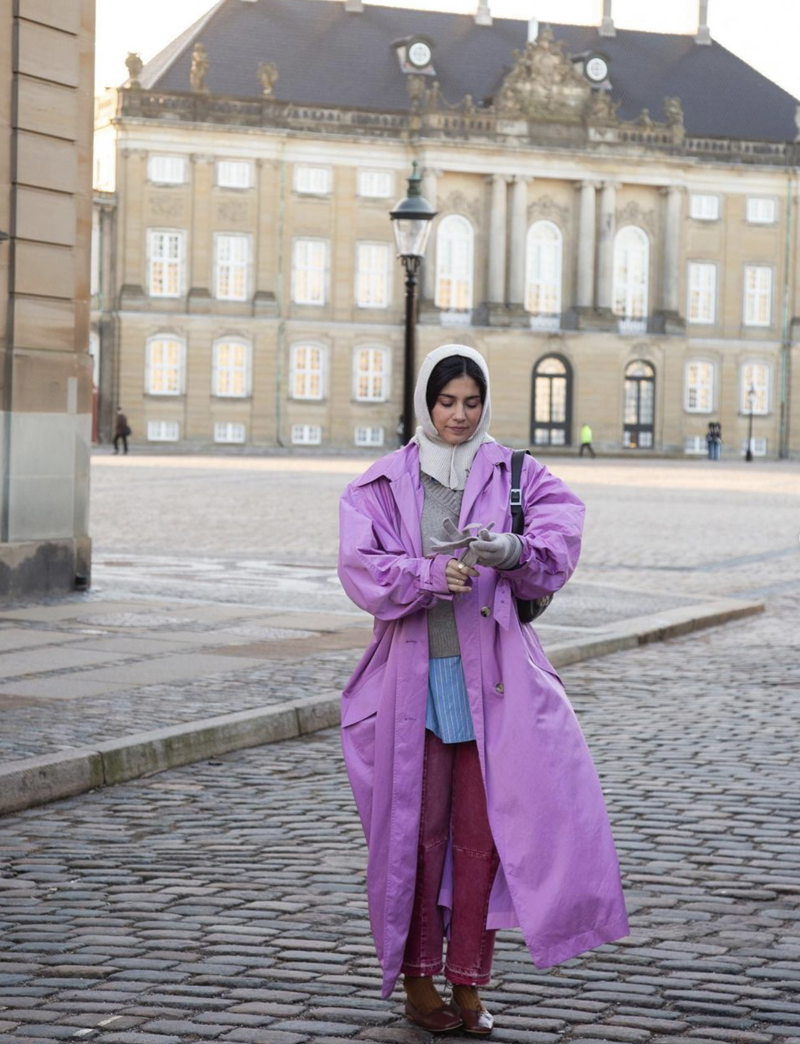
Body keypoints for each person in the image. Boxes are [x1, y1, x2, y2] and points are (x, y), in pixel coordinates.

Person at [338, 344, 629, 1035]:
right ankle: (417, 983)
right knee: (417, 839)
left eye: (470, 402)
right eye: (445, 402)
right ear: (425, 403)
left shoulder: (519, 473)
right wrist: (430, 577)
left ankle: (468, 982)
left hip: (495, 688)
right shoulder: (381, 484)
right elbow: (361, 569)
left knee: (482, 842)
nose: (458, 415)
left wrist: (515, 551)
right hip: (411, 686)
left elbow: (561, 538)